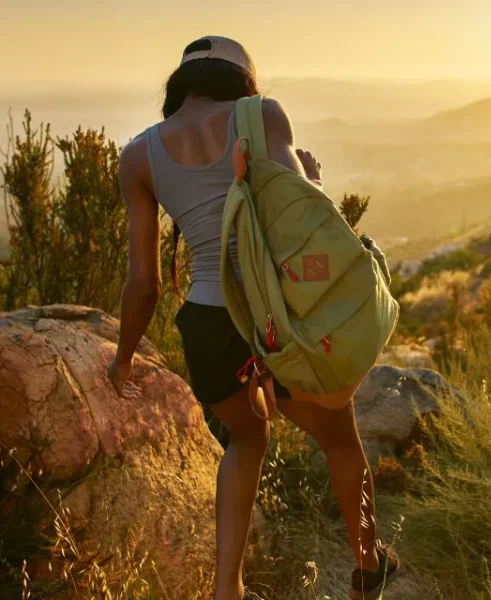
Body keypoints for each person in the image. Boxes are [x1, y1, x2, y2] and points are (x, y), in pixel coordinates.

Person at [106, 36, 400, 600]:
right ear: (243, 80)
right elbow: (301, 221)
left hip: (210, 327)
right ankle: (368, 564)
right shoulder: (261, 115)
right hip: (279, 319)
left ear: (181, 85)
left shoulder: (139, 156)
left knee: (245, 440)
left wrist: (122, 361)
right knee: (340, 443)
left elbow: (142, 285)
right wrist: (312, 178)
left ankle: (228, 589)